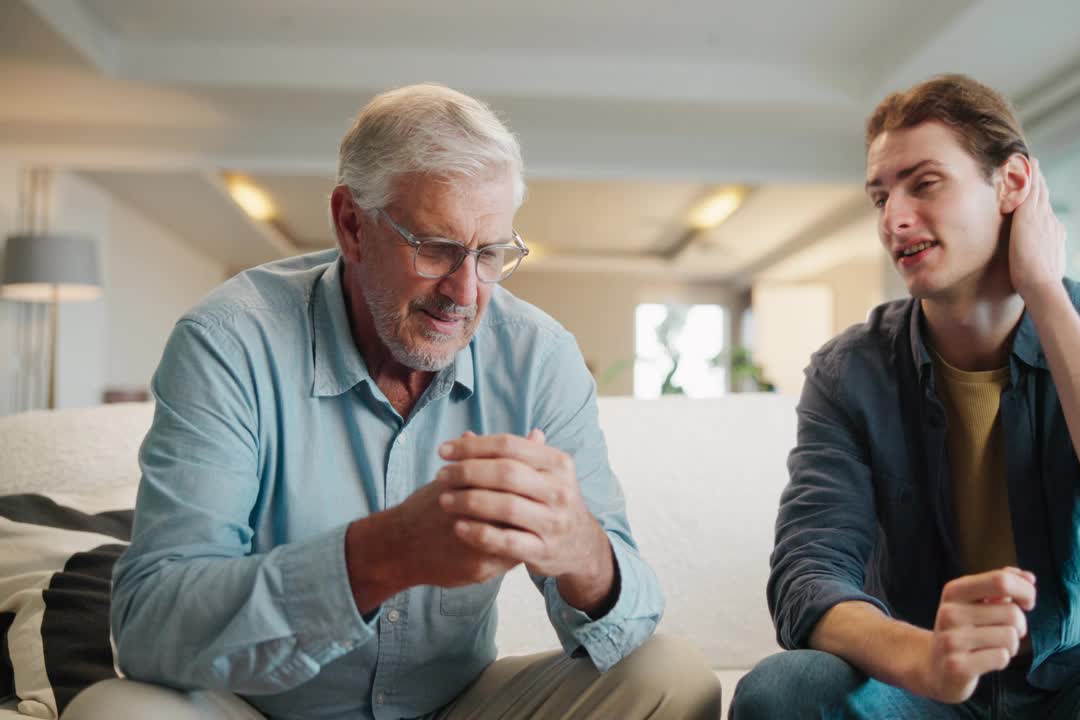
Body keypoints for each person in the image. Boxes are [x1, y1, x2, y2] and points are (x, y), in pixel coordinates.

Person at [66, 83, 718, 720]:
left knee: (670, 677)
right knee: (113, 710)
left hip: (456, 705)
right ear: (352, 225)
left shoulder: (538, 356)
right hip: (257, 711)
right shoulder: (230, 342)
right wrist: (383, 555)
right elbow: (150, 628)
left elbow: (630, 623)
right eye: (436, 249)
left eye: (490, 254)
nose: (465, 292)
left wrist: (582, 549)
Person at [730, 74, 1080, 719]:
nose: (893, 219)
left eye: (924, 183)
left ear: (1012, 184)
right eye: (880, 196)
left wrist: (1046, 294)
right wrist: (925, 658)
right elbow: (807, 575)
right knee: (783, 691)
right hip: (922, 685)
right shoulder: (848, 373)